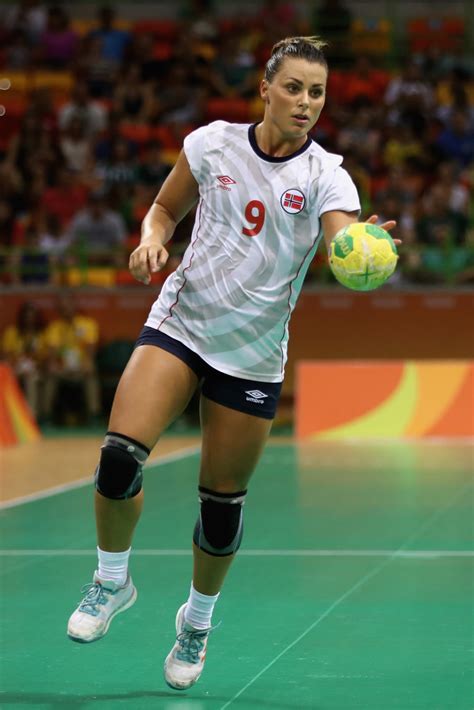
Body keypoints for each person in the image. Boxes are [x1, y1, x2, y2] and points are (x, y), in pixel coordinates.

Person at [66, 36, 399, 690]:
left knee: (220, 506)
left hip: (251, 356)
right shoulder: (212, 143)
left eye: (318, 92)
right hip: (182, 323)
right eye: (296, 87)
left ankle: (196, 620)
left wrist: (359, 250)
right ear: (265, 90)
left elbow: (339, 238)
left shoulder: (327, 175)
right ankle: (110, 581)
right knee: (116, 457)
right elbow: (164, 209)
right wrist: (150, 242)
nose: (307, 102)